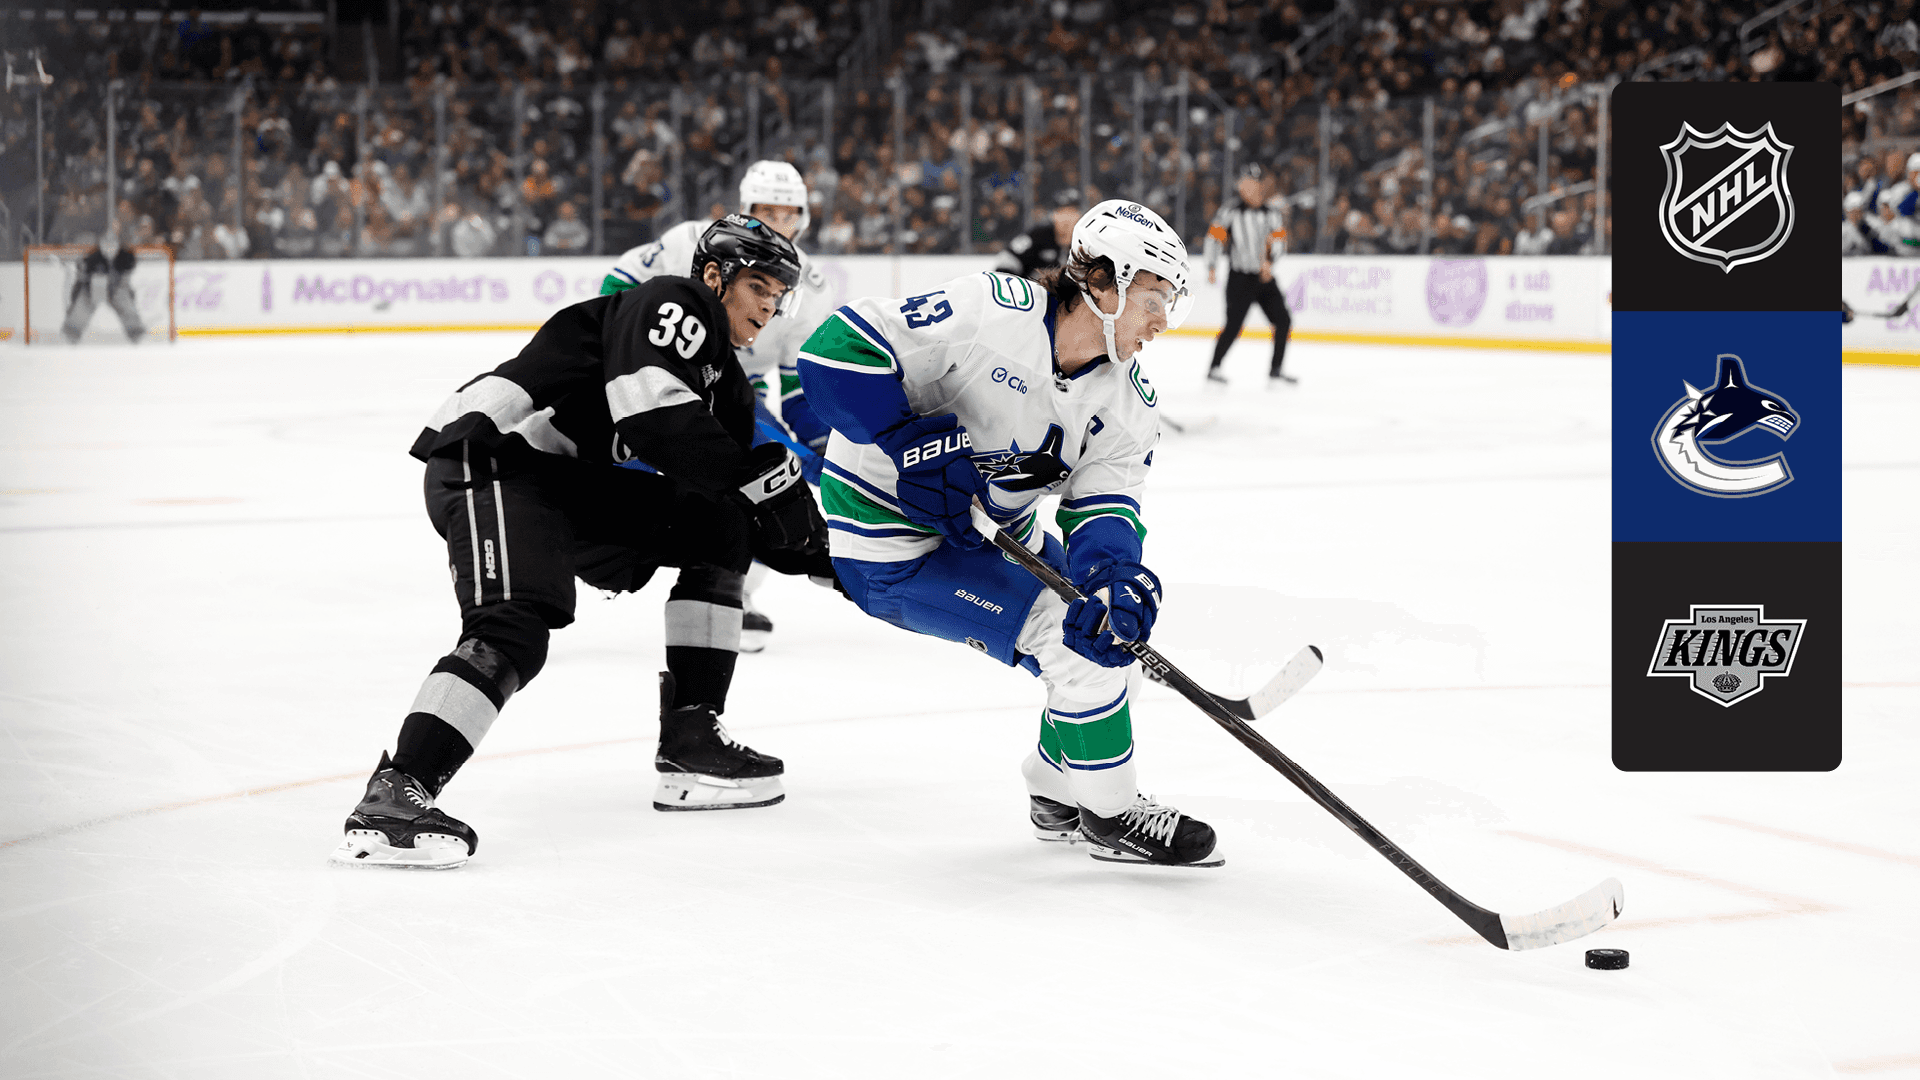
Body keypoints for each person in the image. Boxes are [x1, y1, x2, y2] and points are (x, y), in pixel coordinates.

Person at [330, 216, 824, 870]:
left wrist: (835, 557)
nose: (769, 306)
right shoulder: (676, 302)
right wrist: (754, 483)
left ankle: (692, 737)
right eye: (758, 286)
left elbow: (738, 498)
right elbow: (651, 413)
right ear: (714, 276)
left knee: (720, 526)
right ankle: (395, 793)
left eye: (778, 295)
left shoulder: (725, 381)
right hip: (495, 457)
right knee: (512, 627)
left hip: (566, 486)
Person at [796, 200, 1222, 868]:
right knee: (1077, 656)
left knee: (1109, 640)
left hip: (995, 534)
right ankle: (1111, 815)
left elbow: (1105, 507)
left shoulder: (1127, 402)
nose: (1162, 321)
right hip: (889, 546)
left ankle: (1056, 792)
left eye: (1169, 302)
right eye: (1152, 299)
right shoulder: (990, 312)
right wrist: (906, 439)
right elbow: (834, 352)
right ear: (1101, 283)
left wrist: (1113, 577)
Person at [601, 160, 835, 652]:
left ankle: (732, 592)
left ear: (804, 217)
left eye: (788, 213)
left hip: (738, 390)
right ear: (745, 208)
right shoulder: (692, 240)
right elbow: (619, 284)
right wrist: (618, 347)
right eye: (766, 210)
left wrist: (828, 452)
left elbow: (801, 389)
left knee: (768, 479)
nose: (778, 222)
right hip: (668, 372)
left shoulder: (809, 287)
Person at [1203, 164, 1295, 385]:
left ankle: (1276, 370)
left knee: (1283, 320)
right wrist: (1211, 265)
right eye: (1244, 183)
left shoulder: (1271, 213)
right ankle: (1214, 367)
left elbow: (1280, 240)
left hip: (1263, 278)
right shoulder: (1230, 211)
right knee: (1233, 325)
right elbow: (1214, 237)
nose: (1246, 188)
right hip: (1240, 278)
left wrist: (1270, 261)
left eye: (1251, 183)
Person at [61, 234, 147, 344]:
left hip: (117, 286)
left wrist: (124, 288)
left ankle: (136, 333)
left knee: (125, 304)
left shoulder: (126, 256)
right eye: (106, 244)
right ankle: (71, 332)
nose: (109, 248)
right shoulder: (93, 258)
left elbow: (128, 274)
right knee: (84, 305)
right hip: (95, 285)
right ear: (101, 245)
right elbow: (83, 277)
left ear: (118, 245)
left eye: (112, 244)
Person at [994, 190, 1080, 280]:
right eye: (1061, 212)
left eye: (1072, 212)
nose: (1067, 219)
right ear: (1053, 215)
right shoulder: (1037, 236)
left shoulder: (1085, 241)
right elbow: (1007, 261)